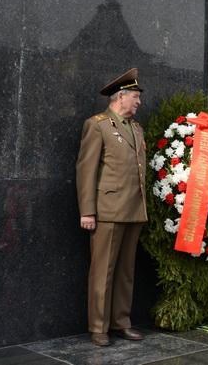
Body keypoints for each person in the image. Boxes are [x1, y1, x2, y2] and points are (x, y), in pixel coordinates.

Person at [75, 68, 147, 347]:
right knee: (102, 271)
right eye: (135, 96)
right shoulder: (98, 125)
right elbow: (86, 170)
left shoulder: (136, 128)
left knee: (126, 272)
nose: (139, 101)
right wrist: (87, 211)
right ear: (120, 96)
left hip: (134, 208)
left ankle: (121, 321)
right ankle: (98, 327)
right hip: (108, 210)